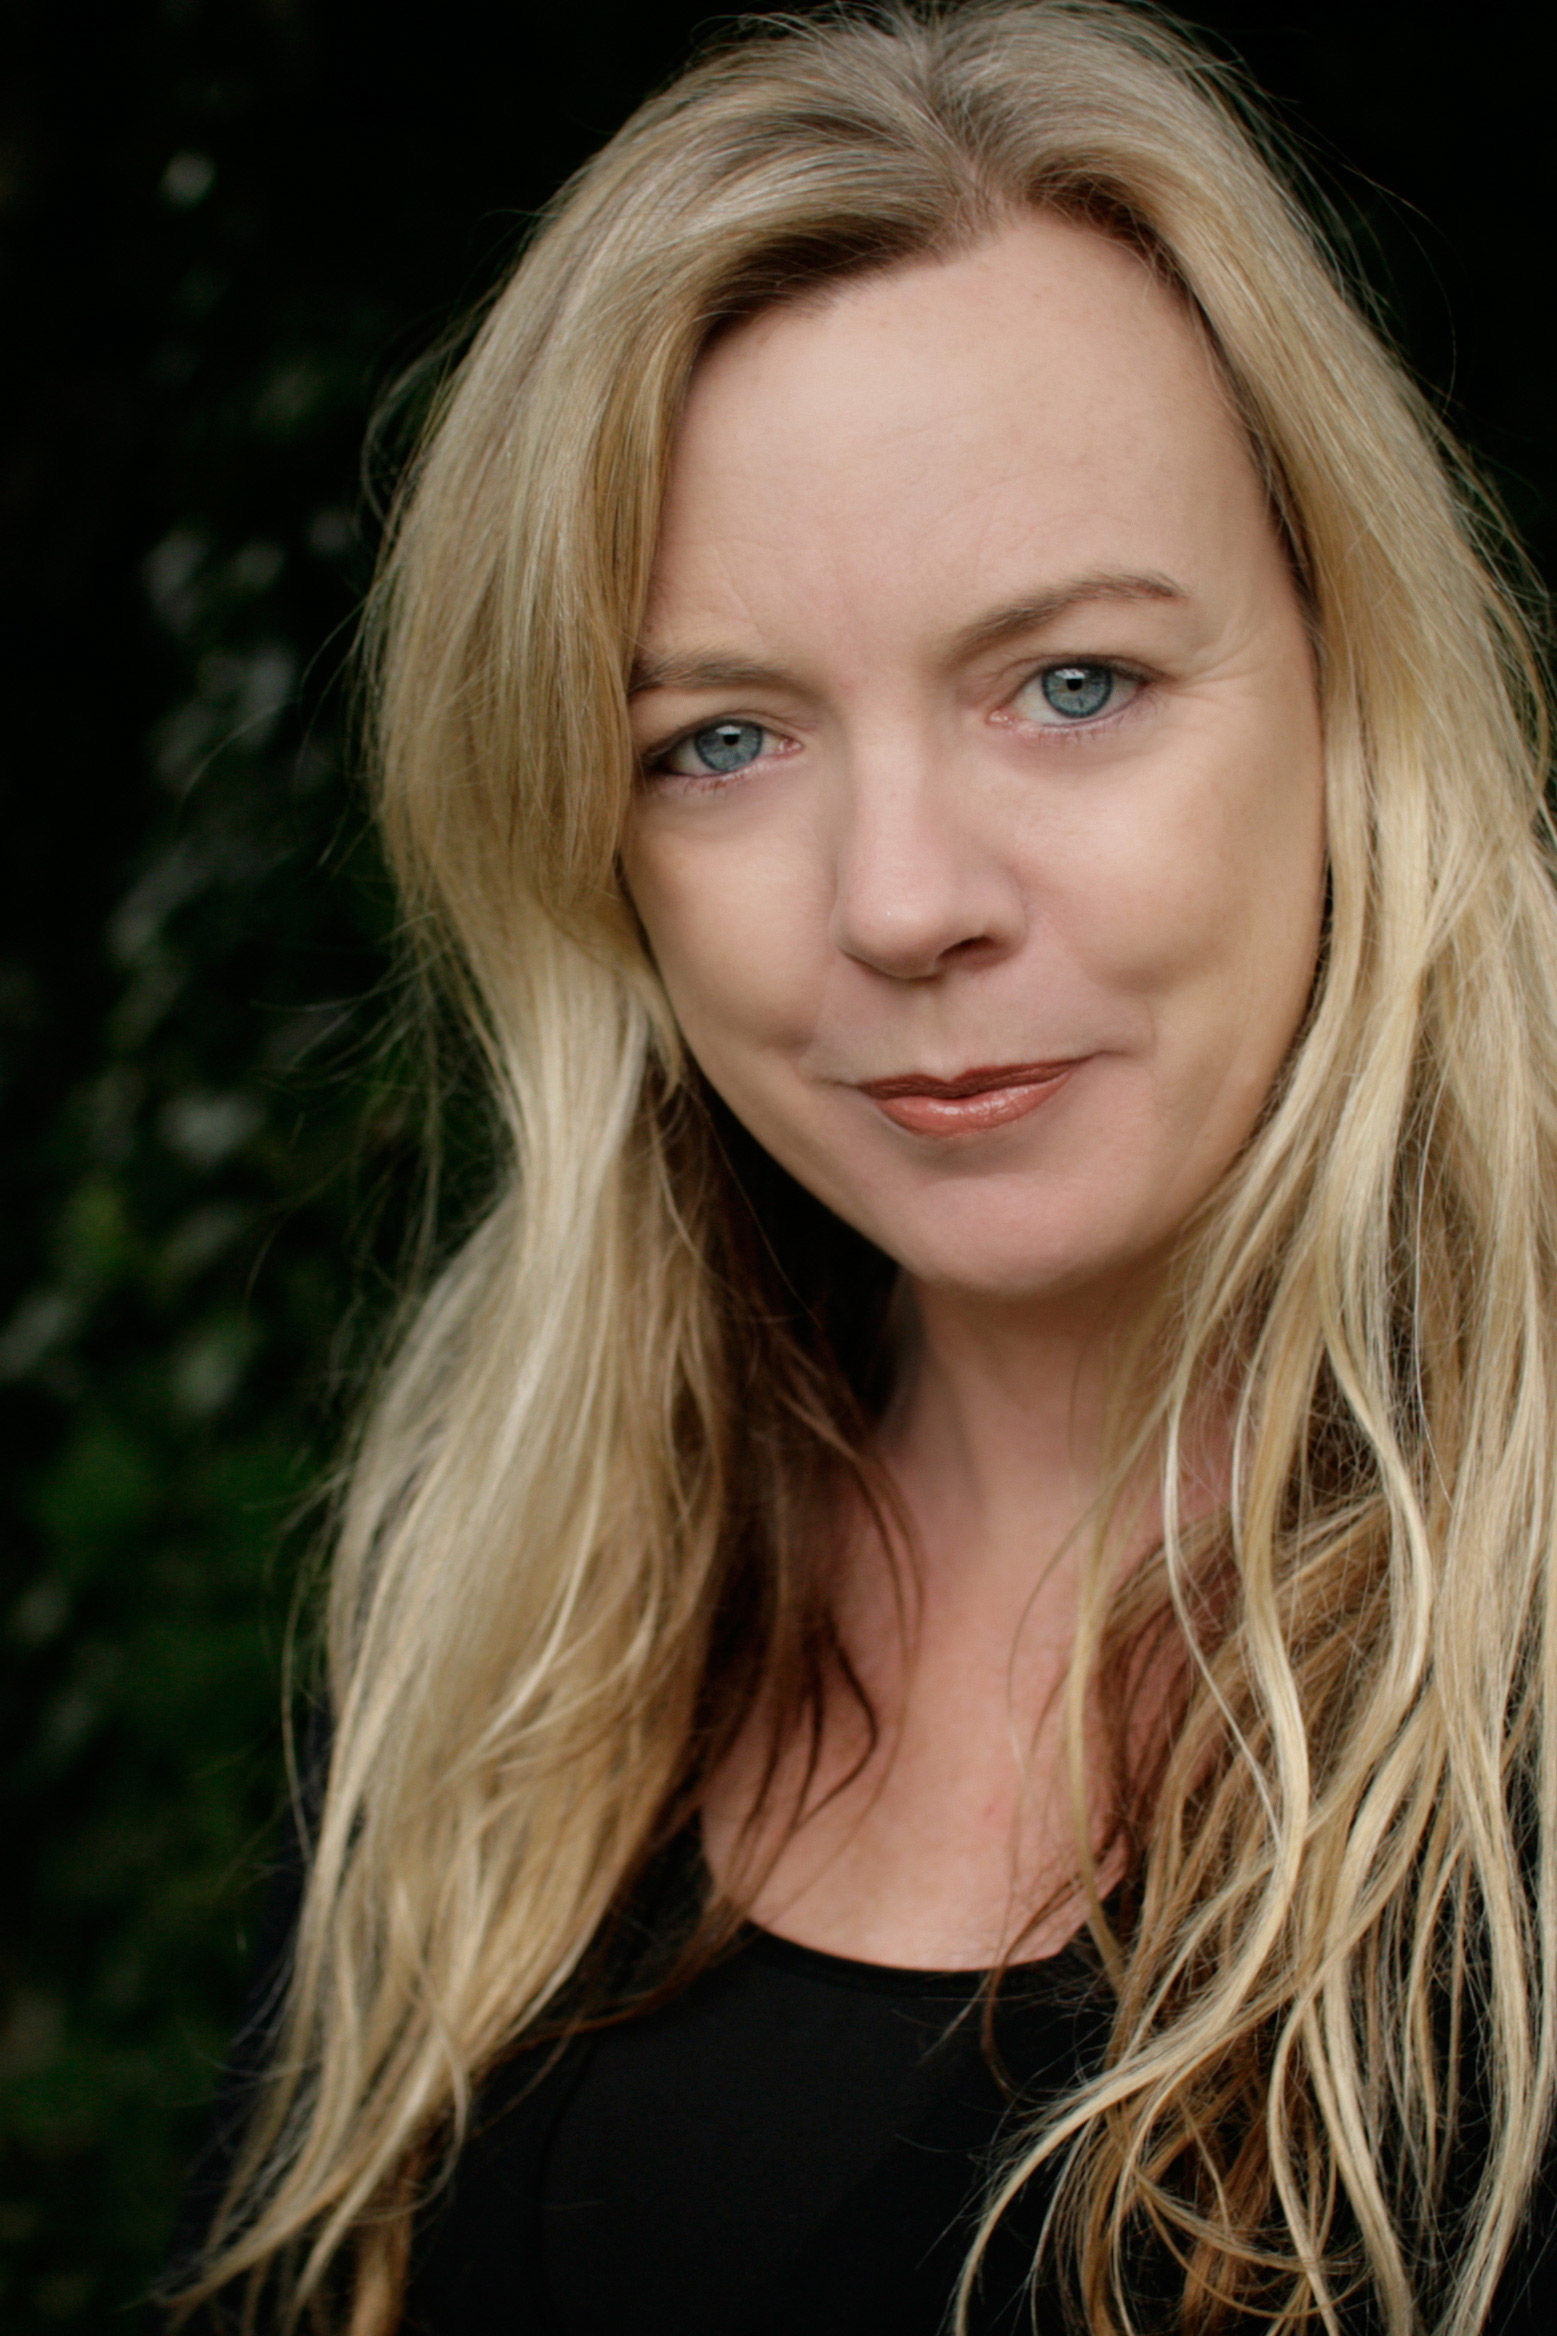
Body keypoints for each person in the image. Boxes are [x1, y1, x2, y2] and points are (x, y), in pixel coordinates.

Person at [165, 3, 1557, 2330]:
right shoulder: (511, 1643)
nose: (902, 896)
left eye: (1072, 682)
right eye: (718, 739)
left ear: (1347, 685)